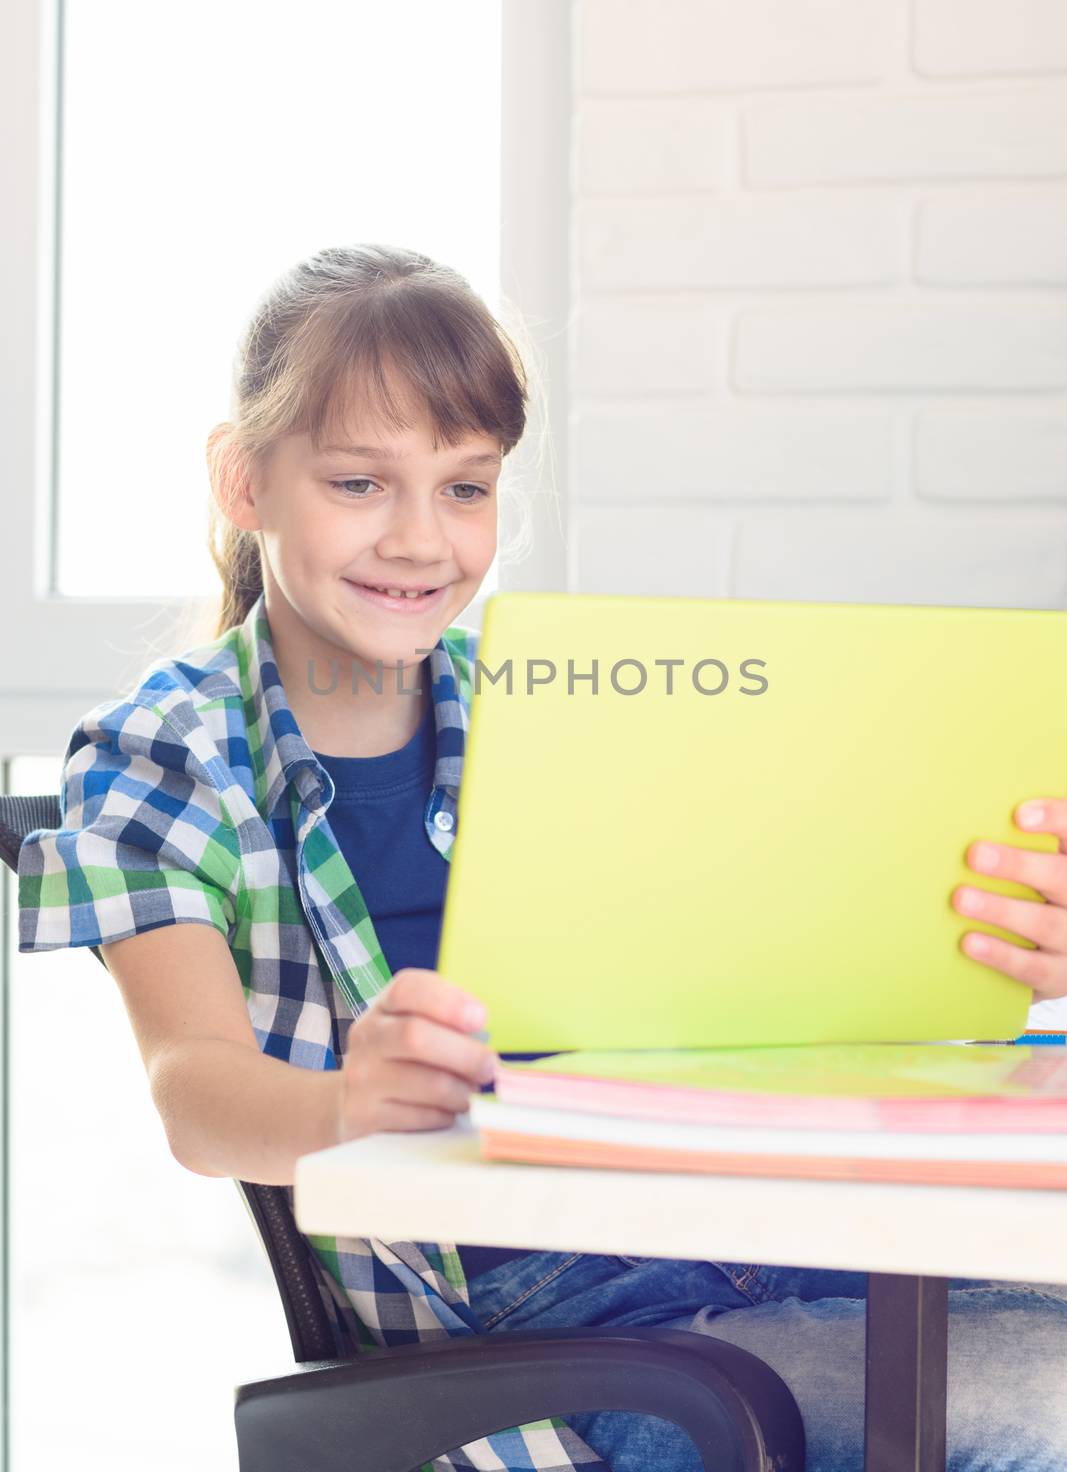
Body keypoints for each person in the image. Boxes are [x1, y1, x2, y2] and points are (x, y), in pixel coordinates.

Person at [16, 243, 1067, 1472]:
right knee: (1034, 1417)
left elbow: (743, 979)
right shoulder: (168, 747)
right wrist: (344, 1107)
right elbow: (194, 1088)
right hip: (548, 1324)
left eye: (466, 488)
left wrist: (989, 947)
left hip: (740, 1226)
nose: (421, 540)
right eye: (360, 483)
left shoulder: (551, 702)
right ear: (242, 481)